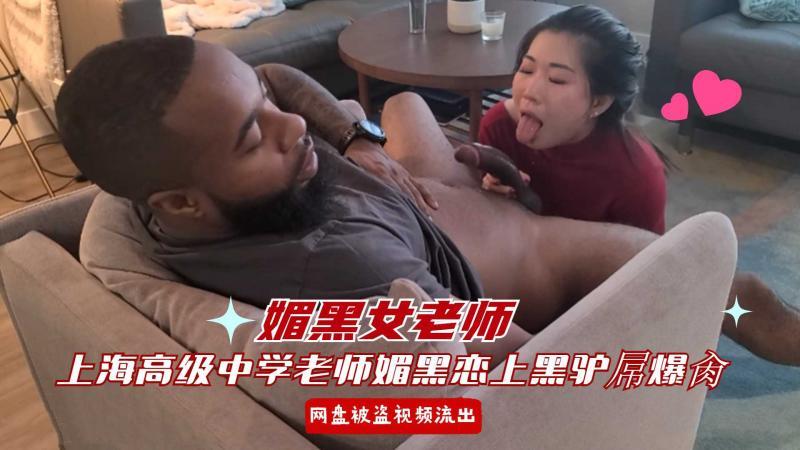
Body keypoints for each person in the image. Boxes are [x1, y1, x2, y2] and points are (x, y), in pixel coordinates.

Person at [56, 36, 799, 365]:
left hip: (423, 195)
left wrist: (356, 139)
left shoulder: (178, 196)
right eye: (254, 137)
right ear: (182, 202)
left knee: (406, 104)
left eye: (261, 106)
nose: (290, 128)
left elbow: (277, 78)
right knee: (731, 285)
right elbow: (510, 364)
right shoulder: (339, 270)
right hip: (530, 254)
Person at [479, 5, 667, 234]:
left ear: (598, 103)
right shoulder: (498, 128)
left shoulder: (637, 176)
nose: (530, 91)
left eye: (557, 79)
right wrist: (487, 194)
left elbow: (647, 253)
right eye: (527, 70)